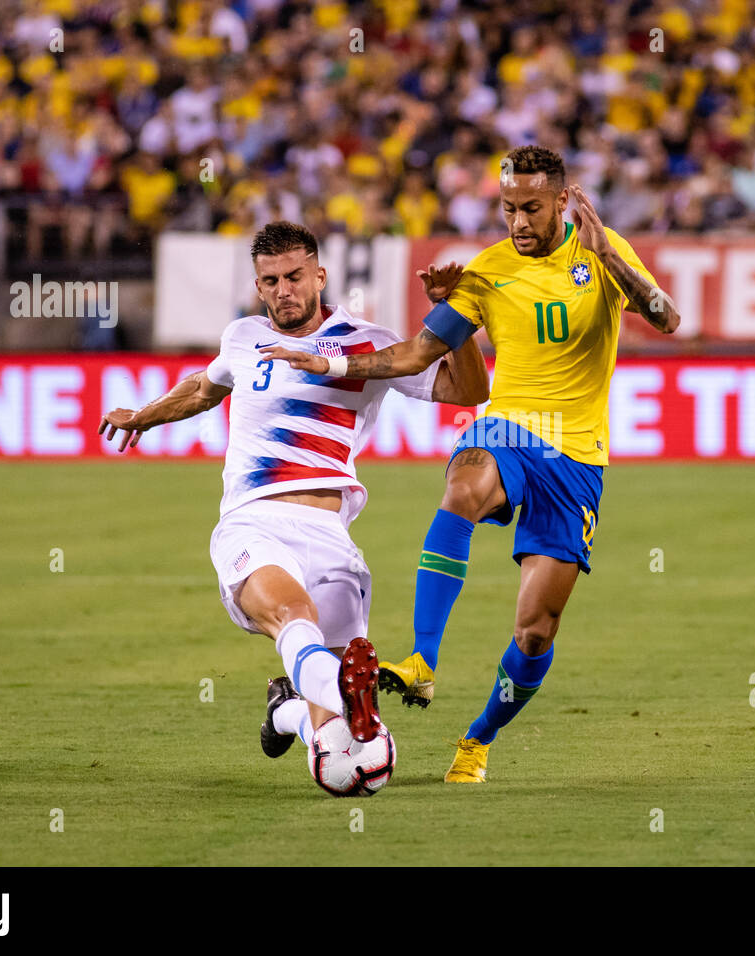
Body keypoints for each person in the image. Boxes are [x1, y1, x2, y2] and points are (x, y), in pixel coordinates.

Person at [262, 146, 680, 783]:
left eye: (532, 208)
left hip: (576, 457)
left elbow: (666, 319)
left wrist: (609, 255)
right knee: (464, 485)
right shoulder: (487, 272)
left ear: (562, 202)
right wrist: (338, 363)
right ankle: (422, 661)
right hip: (508, 427)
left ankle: (479, 738)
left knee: (536, 631)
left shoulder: (601, 254)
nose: (517, 221)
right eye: (508, 207)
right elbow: (415, 354)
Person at [97, 221, 488, 769]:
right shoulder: (243, 336)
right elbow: (204, 388)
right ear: (259, 287)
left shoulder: (367, 343)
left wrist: (460, 321)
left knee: (341, 751)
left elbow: (469, 390)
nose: (284, 289)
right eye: (271, 280)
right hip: (254, 523)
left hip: (330, 536)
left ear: (320, 275)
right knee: (295, 615)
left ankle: (287, 709)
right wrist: (143, 416)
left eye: (295, 276)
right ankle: (338, 697)